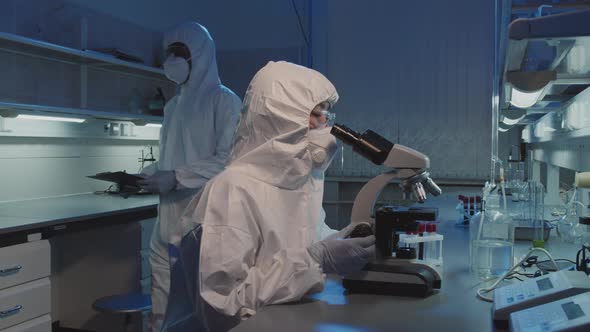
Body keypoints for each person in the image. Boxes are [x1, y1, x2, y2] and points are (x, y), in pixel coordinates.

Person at [164, 61, 375, 331]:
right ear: (280, 115)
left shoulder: (304, 178)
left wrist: (345, 239)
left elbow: (307, 239)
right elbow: (221, 306)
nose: (325, 122)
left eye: (327, 112)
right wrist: (317, 260)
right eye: (315, 111)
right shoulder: (231, 191)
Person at [137, 22, 242, 331]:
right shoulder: (173, 107)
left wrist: (177, 177)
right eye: (169, 53)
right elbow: (172, 157)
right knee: (162, 308)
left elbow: (229, 160)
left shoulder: (224, 102)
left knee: (201, 310)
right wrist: (150, 174)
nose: (172, 61)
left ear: (201, 55)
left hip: (203, 224)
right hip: (167, 221)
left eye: (180, 53)